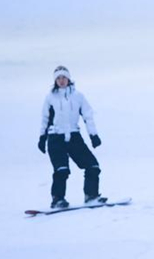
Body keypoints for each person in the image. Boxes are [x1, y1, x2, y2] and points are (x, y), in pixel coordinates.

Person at [37, 65, 106, 209]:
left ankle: (91, 196)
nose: (61, 81)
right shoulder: (50, 98)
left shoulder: (78, 97)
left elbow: (88, 116)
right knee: (61, 170)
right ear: (55, 81)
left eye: (64, 78)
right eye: (58, 78)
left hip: (74, 137)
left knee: (92, 166)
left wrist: (93, 135)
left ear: (69, 79)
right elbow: (45, 118)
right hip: (55, 138)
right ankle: (58, 200)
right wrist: (42, 138)